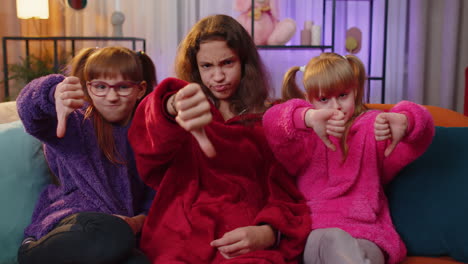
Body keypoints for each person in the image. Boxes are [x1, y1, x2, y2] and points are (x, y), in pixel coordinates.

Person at [128, 14, 311, 264]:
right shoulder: (181, 111)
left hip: (242, 245)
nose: (218, 77)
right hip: (180, 239)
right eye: (207, 66)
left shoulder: (270, 119)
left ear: (245, 63)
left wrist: (268, 233)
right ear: (194, 68)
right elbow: (147, 138)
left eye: (227, 63)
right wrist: (172, 104)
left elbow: (286, 193)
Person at [262, 52, 435, 264]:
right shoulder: (304, 137)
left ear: (355, 91)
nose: (336, 106)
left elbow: (423, 130)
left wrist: (408, 120)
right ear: (309, 100)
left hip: (369, 235)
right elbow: (271, 122)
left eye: (343, 95)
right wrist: (308, 117)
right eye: (324, 99)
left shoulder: (375, 127)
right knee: (332, 240)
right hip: (318, 231)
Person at [16, 46, 157, 264]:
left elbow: (154, 199)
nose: (111, 97)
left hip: (116, 236)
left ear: (140, 89)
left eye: (122, 87)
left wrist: (135, 223)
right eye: (100, 87)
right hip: (69, 225)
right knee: (112, 232)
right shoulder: (77, 122)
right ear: (88, 88)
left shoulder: (149, 135)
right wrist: (53, 93)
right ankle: (32, 253)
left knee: (138, 259)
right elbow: (28, 110)